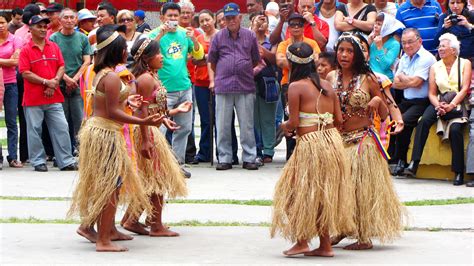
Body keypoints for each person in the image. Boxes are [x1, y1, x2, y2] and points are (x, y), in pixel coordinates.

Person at [68, 27, 164, 252]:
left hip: (105, 131)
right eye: (123, 49)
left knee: (113, 184)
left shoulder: (105, 72)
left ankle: (108, 231)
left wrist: (130, 104)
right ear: (116, 51)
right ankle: (103, 240)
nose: (126, 53)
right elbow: (111, 111)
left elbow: (112, 105)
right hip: (105, 132)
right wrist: (144, 122)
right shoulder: (110, 76)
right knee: (111, 186)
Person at [271, 42, 355, 257]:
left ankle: (302, 241)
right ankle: (325, 245)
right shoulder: (327, 85)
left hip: (310, 145)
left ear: (291, 63)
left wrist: (284, 126)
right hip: (332, 143)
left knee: (296, 193)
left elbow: (293, 122)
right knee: (322, 194)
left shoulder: (295, 86)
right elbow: (338, 119)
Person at [327, 32, 404, 250]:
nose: (344, 55)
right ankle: (341, 228)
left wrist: (387, 109)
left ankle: (363, 236)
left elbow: (387, 103)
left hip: (362, 141)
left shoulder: (368, 78)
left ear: (358, 55)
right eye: (341, 50)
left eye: (349, 51)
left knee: (360, 190)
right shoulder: (331, 78)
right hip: (338, 141)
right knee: (340, 189)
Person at [121, 38, 189, 236]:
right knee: (158, 178)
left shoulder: (151, 76)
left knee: (150, 179)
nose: (162, 56)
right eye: (158, 53)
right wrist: (147, 139)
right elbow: (141, 112)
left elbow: (153, 108)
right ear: (147, 57)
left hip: (152, 130)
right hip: (146, 133)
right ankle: (156, 225)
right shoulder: (145, 79)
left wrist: (171, 114)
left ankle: (132, 220)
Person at [404, 33, 471, 185]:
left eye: (443, 46)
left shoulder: (464, 63)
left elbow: (464, 88)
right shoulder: (435, 66)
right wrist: (438, 105)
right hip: (440, 101)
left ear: (453, 50)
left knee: (455, 130)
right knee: (424, 121)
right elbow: (432, 93)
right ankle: (414, 162)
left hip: (458, 102)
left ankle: (458, 172)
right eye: (439, 46)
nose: (440, 49)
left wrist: (451, 105)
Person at [147, 2, 204, 176]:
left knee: (184, 128)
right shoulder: (154, 34)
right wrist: (160, 35)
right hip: (162, 89)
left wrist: (193, 39)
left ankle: (177, 165)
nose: (173, 19)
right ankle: (156, 166)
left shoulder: (184, 33)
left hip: (184, 87)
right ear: (161, 17)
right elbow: (145, 53)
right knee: (160, 130)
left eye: (175, 16)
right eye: (169, 16)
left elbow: (199, 55)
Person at [18, 15, 77, 172]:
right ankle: (38, 161)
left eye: (45, 26)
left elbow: (61, 66)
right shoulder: (25, 50)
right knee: (34, 130)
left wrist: (54, 82)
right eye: (39, 26)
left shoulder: (54, 46)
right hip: (33, 99)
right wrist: (46, 82)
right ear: (30, 29)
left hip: (54, 95)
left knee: (62, 127)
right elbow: (25, 73)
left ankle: (65, 161)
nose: (43, 29)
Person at [208, 2, 261, 170]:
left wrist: (242, 68)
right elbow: (212, 61)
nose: (231, 21)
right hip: (224, 86)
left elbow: (255, 59)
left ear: (240, 17)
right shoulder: (218, 37)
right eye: (227, 18)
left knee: (247, 125)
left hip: (245, 85)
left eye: (234, 17)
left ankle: (249, 157)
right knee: (222, 125)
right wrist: (222, 75)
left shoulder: (250, 35)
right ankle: (225, 158)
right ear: (224, 19)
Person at [391, 28, 437, 176]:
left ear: (419, 41)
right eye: (404, 43)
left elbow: (417, 82)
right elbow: (394, 83)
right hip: (406, 100)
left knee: (403, 121)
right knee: (391, 118)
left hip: (422, 101)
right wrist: (407, 80)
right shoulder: (404, 57)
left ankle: (401, 161)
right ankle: (398, 159)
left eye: (410, 42)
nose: (407, 46)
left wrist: (405, 77)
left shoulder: (426, 57)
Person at [276, 13, 321, 160]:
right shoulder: (284, 44)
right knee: (290, 116)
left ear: (304, 27)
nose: (296, 27)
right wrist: (304, 62)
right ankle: (291, 154)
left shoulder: (312, 43)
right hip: (287, 84)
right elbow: (280, 61)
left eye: (299, 24)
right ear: (288, 28)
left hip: (309, 84)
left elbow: (317, 61)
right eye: (293, 24)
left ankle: (308, 154)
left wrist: (294, 63)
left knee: (308, 116)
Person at [50, 8, 93, 154]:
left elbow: (87, 60)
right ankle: (63, 152)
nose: (69, 20)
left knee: (80, 120)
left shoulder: (82, 38)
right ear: (60, 20)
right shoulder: (53, 39)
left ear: (76, 20)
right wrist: (66, 79)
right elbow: (53, 62)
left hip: (77, 85)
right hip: (59, 84)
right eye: (66, 17)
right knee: (61, 121)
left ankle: (82, 151)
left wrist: (74, 79)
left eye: (72, 18)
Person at [15, 4, 40, 164]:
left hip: (22, 76)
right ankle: (34, 154)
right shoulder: (23, 36)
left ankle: (25, 155)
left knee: (26, 118)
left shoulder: (18, 34)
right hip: (28, 77)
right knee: (33, 117)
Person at [251, 13, 278, 164]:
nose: (261, 23)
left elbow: (274, 59)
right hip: (250, 81)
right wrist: (254, 33)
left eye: (264, 21)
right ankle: (256, 149)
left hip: (268, 82)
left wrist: (260, 46)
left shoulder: (272, 41)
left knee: (268, 118)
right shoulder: (247, 38)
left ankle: (268, 150)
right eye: (258, 20)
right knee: (253, 119)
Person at [192, 9, 218, 164]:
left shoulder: (221, 36)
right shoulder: (198, 38)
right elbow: (194, 59)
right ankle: (204, 152)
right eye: (202, 21)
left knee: (220, 119)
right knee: (205, 119)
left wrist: (204, 58)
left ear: (213, 19)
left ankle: (224, 152)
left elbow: (220, 56)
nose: (205, 23)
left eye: (207, 19)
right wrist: (207, 58)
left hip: (218, 82)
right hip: (200, 83)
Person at [177, 0, 200, 164]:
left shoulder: (196, 33)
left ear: (193, 15)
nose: (185, 15)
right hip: (172, 81)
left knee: (188, 119)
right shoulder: (172, 32)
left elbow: (200, 55)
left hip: (192, 80)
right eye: (182, 12)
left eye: (188, 13)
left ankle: (189, 153)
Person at [0, 12, 22, 168]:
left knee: (11, 122)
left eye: (2, 22)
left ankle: (13, 157)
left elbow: (16, 62)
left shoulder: (16, 40)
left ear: (8, 23)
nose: (0, 25)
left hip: (10, 83)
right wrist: (8, 61)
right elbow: (11, 60)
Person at [368, 12, 404, 81]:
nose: (375, 26)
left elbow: (385, 66)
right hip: (370, 79)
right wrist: (368, 44)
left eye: (379, 24)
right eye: (375, 23)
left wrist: (379, 48)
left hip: (386, 81)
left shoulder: (394, 44)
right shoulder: (372, 39)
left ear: (387, 27)